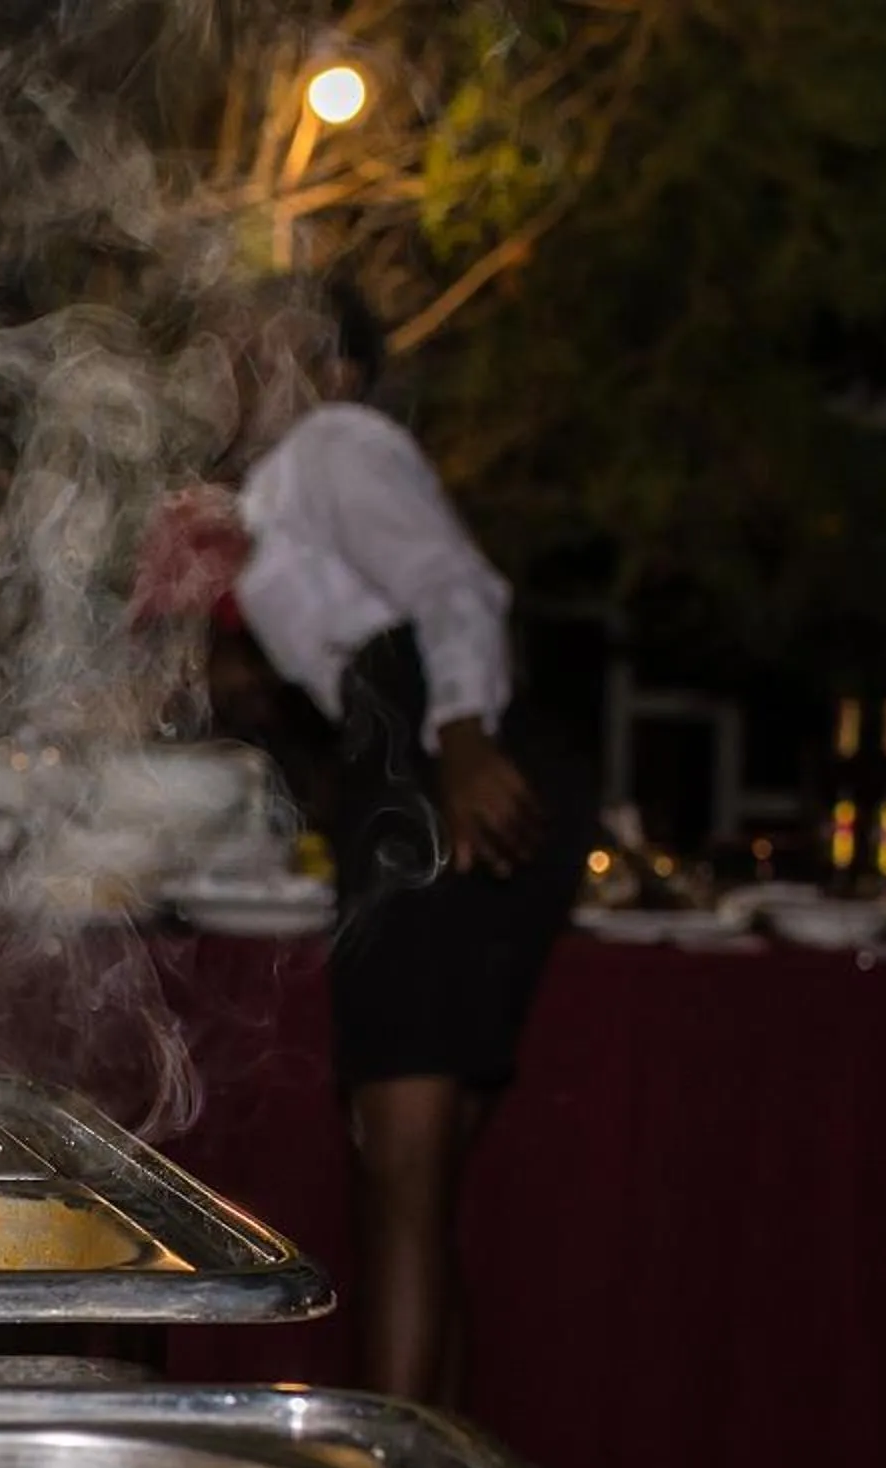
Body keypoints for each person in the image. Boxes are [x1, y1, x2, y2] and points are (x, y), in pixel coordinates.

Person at [222, 284, 591, 1407]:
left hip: (449, 782)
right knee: (407, 1189)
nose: (234, 365)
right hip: (408, 781)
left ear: (337, 369)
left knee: (400, 1181)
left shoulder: (337, 441)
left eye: (263, 346)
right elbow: (346, 665)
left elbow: (453, 588)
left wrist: (464, 744)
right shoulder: (275, 485)